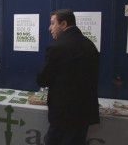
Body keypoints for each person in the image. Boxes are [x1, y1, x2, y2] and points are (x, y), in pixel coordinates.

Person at [36, 9, 100, 145]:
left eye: (53, 23)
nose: (50, 28)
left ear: (63, 24)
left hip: (63, 115)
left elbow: (42, 79)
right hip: (84, 114)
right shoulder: (90, 46)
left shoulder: (57, 47)